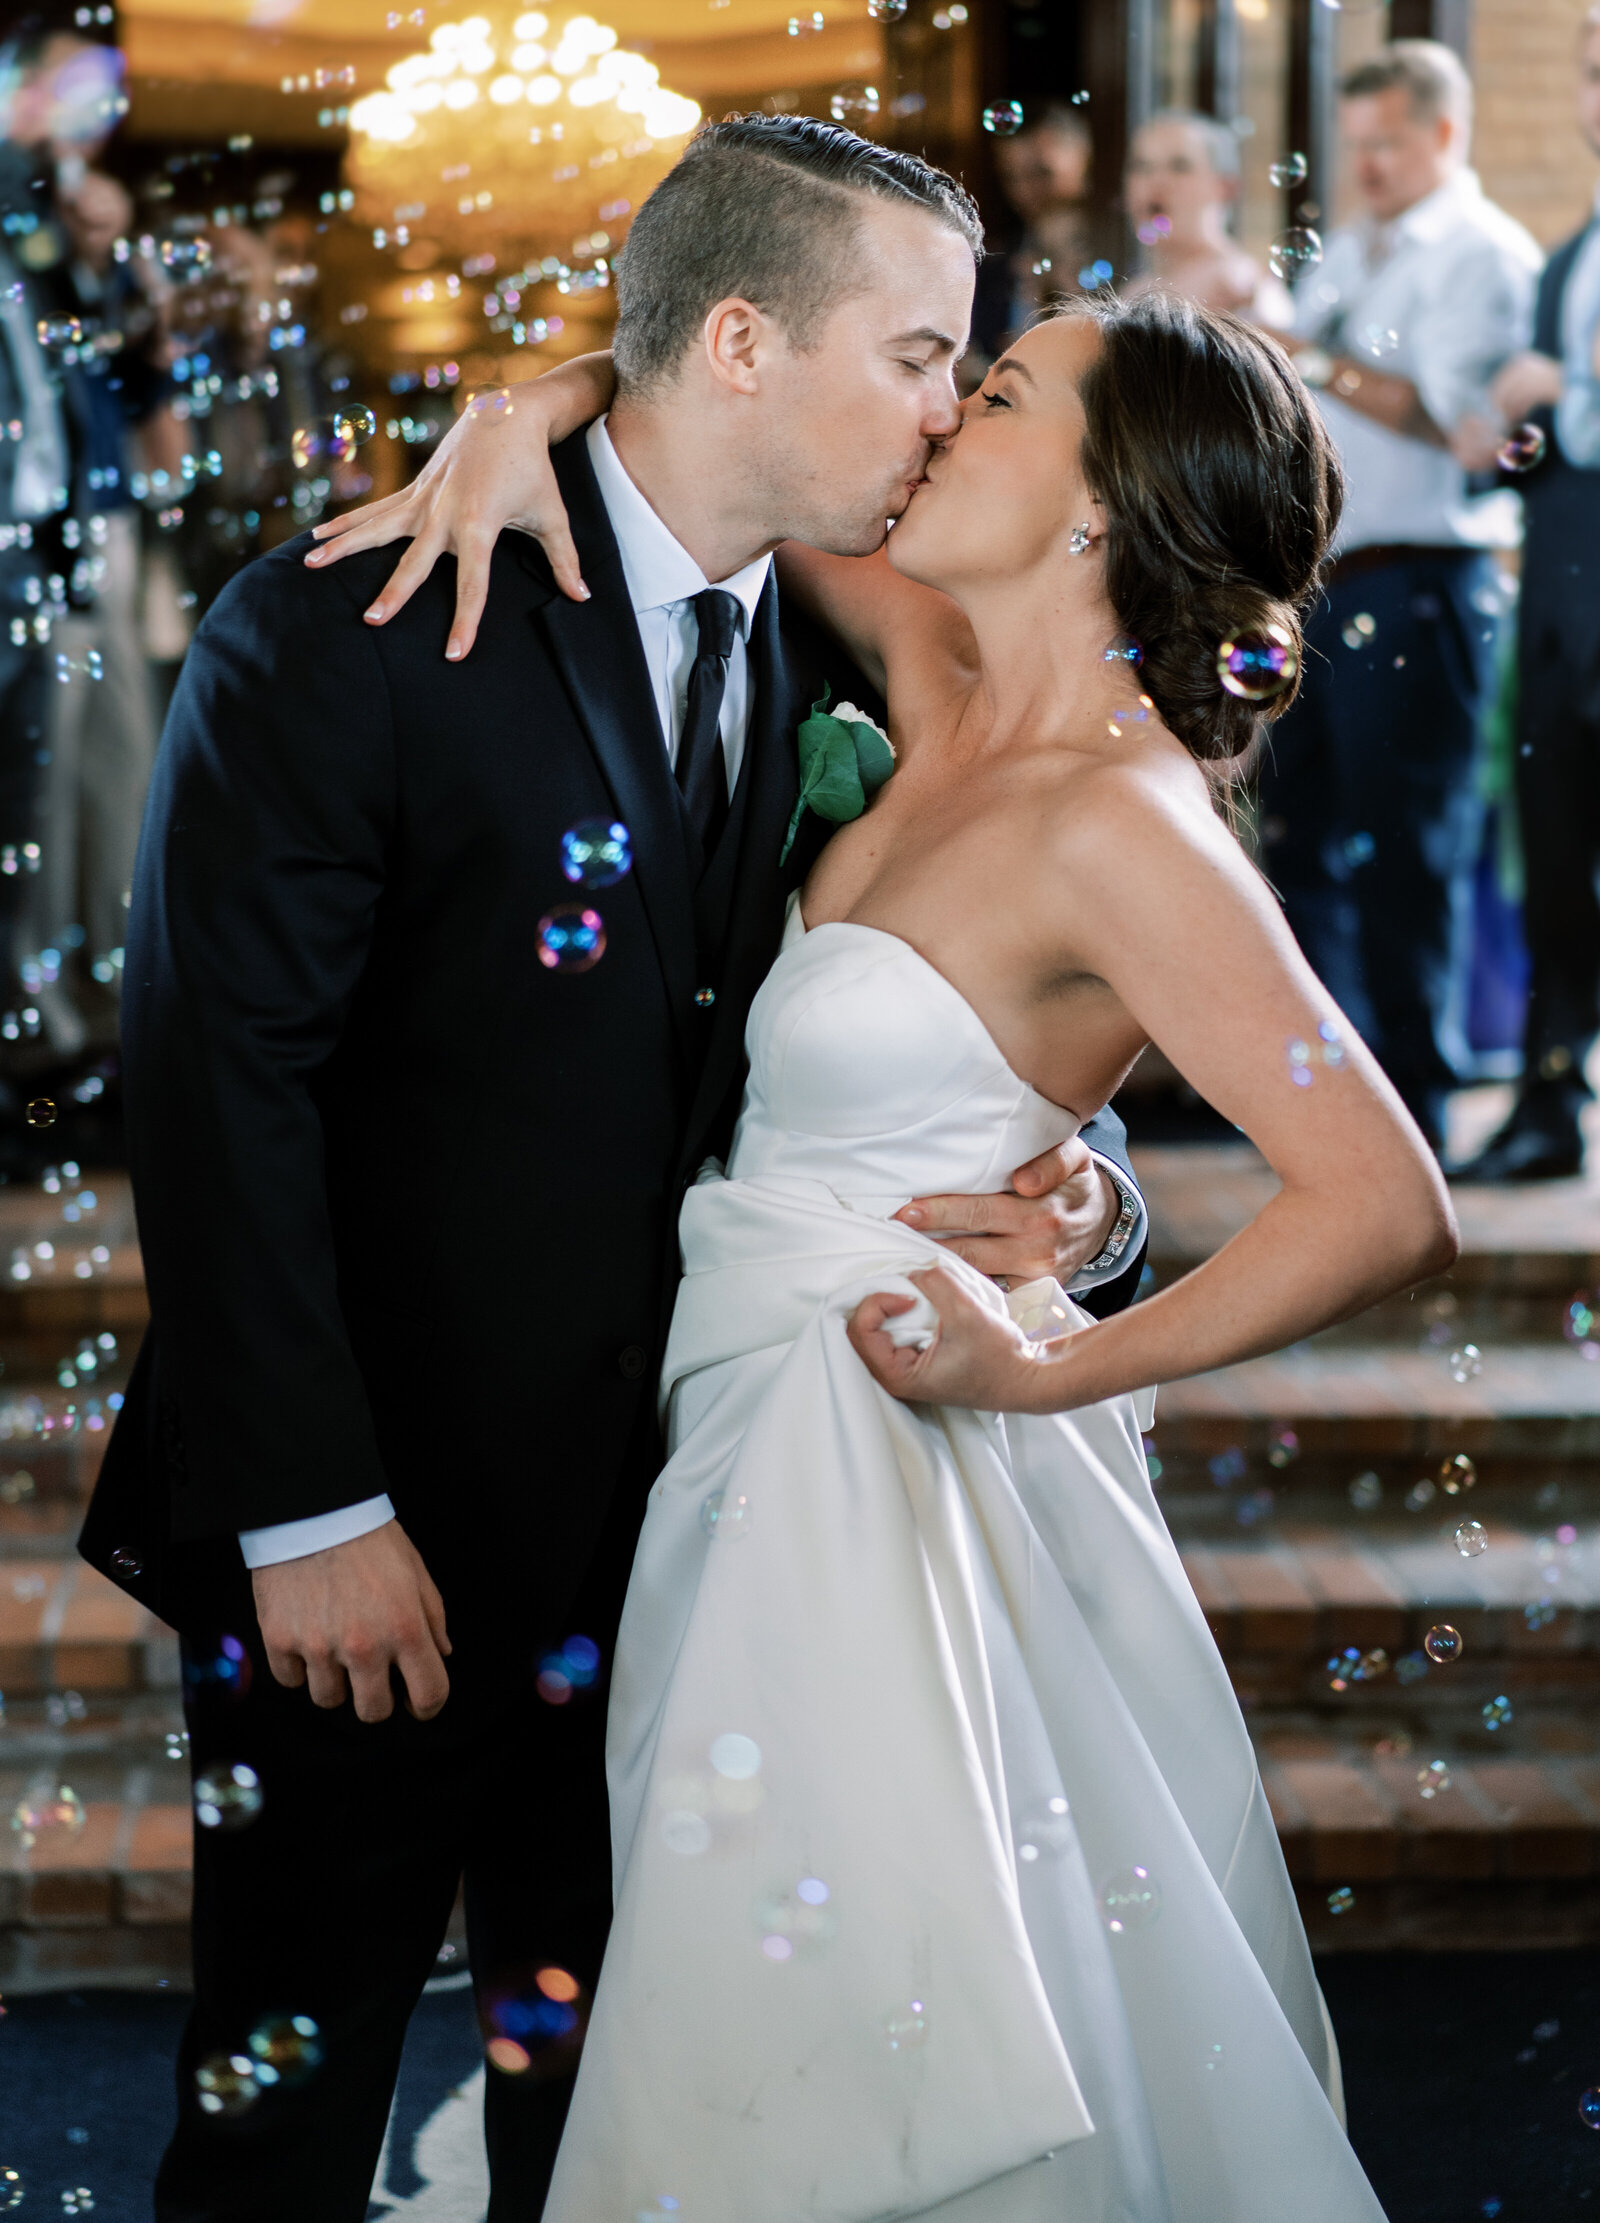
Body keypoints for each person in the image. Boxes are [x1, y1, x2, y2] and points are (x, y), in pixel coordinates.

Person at [315, 239, 1454, 2223]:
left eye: (995, 391)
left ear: (1098, 502)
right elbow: (734, 442)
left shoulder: (1122, 815)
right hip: (727, 1432)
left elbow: (1381, 1199)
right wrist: (540, 401)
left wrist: (1060, 1356)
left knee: (845, 2026)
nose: (942, 411)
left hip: (879, 1473)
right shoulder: (940, 695)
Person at [80, 116, 1152, 2222]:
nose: (948, 409)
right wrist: (310, 1505)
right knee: (279, 2113)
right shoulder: (355, 616)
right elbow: (220, 1084)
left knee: (603, 2119)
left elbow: (911, 1004)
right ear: (741, 342)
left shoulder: (833, 636)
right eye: (921, 352)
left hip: (688, 1537)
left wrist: (1082, 1187)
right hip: (363, 1544)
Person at [1259, 40, 1541, 1152]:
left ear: (1442, 133)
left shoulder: (1479, 254)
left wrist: (1304, 358)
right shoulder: (1355, 254)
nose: (1365, 165)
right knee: (1306, 850)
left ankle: (1413, 1117)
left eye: (1385, 143)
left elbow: (1463, 428)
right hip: (1325, 592)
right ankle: (1336, 1111)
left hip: (1422, 582)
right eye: (1354, 143)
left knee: (1406, 854)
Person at [1450, 7, 1600, 1181]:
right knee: (1554, 858)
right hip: (1557, 600)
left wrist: (1567, 389)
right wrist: (1508, 428)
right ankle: (1549, 1100)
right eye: (1593, 77)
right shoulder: (1569, 255)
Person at [1123, 108, 1294, 329]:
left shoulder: (1240, 286)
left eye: (1179, 166)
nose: (1156, 181)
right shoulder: (1135, 289)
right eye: (1141, 166)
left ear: (1226, 187)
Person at [970, 101, 1096, 372]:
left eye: (1041, 173)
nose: (1025, 193)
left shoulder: (1121, 252)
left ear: (1085, 157)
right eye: (1012, 178)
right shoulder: (997, 263)